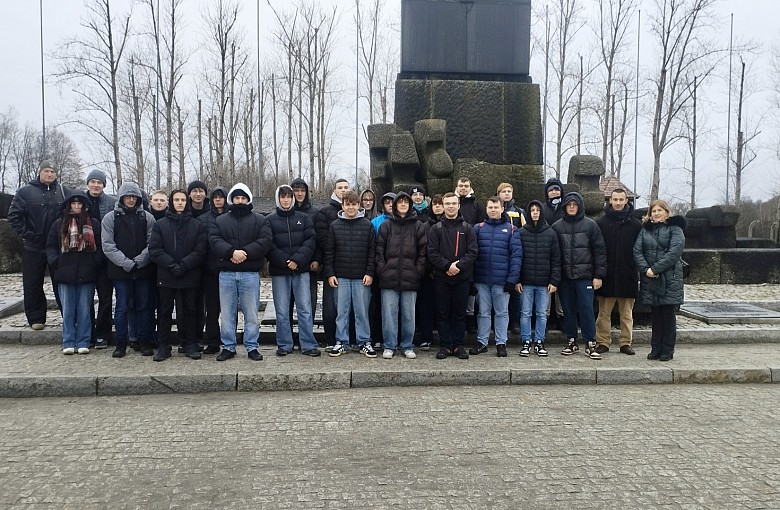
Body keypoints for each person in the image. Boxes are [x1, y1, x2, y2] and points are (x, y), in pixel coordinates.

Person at [209, 183, 273, 361]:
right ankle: (228, 346)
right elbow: (214, 240)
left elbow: (265, 240)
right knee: (227, 313)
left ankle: (252, 346)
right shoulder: (221, 221)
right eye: (237, 198)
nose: (240, 201)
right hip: (227, 274)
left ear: (248, 199)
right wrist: (231, 252)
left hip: (250, 273)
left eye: (243, 198)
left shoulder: (260, 220)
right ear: (232, 200)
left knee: (251, 313)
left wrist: (245, 253)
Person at [8, 160, 70, 330]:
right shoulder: (25, 192)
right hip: (33, 246)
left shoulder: (62, 192)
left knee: (62, 282)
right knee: (32, 283)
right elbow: (14, 217)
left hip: (57, 245)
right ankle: (36, 318)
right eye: (46, 171)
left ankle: (68, 315)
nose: (49, 174)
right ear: (40, 172)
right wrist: (28, 234)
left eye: (52, 172)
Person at [148, 189, 207, 361]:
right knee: (165, 312)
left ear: (186, 202)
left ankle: (190, 344)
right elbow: (155, 249)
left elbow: (200, 250)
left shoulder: (197, 225)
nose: (180, 203)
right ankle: (164, 346)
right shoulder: (161, 224)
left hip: (189, 274)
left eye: (182, 200)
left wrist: (184, 265)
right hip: (167, 275)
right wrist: (172, 265)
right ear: (171, 203)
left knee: (190, 311)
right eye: (176, 200)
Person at [101, 182, 157, 358]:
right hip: (120, 271)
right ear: (122, 198)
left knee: (144, 307)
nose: (131, 200)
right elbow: (108, 245)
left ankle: (144, 341)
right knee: (122, 308)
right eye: (128, 196)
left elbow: (152, 243)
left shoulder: (147, 218)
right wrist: (125, 262)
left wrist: (140, 261)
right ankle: (121, 343)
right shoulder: (110, 218)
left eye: (134, 197)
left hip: (142, 270)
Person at [550, 192, 607, 360]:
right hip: (565, 277)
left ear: (580, 206)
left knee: (586, 310)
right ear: (565, 207)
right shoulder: (557, 226)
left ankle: (590, 343)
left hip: (585, 277)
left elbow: (600, 252)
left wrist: (598, 275)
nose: (572, 207)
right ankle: (571, 340)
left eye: (575, 204)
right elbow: (554, 254)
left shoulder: (591, 225)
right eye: (569, 204)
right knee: (567, 310)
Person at [46, 191, 103, 355]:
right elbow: (50, 246)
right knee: (68, 309)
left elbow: (99, 246)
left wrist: (95, 263)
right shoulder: (59, 224)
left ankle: (84, 340)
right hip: (65, 272)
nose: (77, 206)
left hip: (87, 271)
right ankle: (68, 341)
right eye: (74, 203)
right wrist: (56, 262)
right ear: (68, 205)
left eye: (80, 204)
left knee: (85, 309)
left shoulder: (94, 224)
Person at [266, 185, 321, 357]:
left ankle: (308, 344)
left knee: (304, 308)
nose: (286, 199)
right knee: (282, 310)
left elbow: (311, 240)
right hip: (279, 271)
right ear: (278, 198)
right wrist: (285, 261)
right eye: (283, 196)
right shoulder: (269, 219)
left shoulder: (304, 218)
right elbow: (269, 244)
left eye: (289, 196)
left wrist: (297, 260)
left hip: (301, 270)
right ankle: (284, 344)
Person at [325, 190, 377, 358]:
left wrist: (370, 273)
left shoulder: (367, 225)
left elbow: (372, 252)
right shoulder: (334, 226)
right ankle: (341, 341)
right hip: (341, 277)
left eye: (354, 204)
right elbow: (329, 253)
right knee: (342, 311)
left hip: (361, 277)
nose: (351, 207)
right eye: (348, 204)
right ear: (343, 205)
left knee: (362, 312)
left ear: (358, 205)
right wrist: (330, 273)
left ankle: (364, 341)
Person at [375, 192, 427, 359]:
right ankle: (389, 345)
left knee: (408, 314)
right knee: (389, 314)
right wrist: (382, 269)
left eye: (406, 202)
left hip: (410, 276)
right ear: (395, 205)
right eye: (400, 202)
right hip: (388, 276)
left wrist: (418, 270)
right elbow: (379, 250)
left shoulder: (418, 226)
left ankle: (407, 345)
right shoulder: (386, 226)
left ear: (410, 205)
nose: (403, 204)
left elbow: (423, 252)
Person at [633, 199, 686, 362]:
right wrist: (646, 269)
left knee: (667, 315)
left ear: (666, 212)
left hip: (669, 278)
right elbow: (637, 250)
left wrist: (655, 269)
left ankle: (667, 349)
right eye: (653, 211)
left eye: (659, 210)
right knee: (655, 315)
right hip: (650, 278)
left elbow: (674, 252)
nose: (656, 214)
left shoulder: (675, 229)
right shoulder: (645, 230)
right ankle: (655, 348)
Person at [427, 192, 478, 360]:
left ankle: (458, 345)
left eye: (453, 203)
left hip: (461, 279)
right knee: (442, 313)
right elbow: (432, 253)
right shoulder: (436, 229)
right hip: (442, 278)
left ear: (458, 205)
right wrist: (447, 266)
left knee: (459, 314)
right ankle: (445, 345)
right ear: (443, 205)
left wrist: (458, 266)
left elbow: (472, 252)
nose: (450, 206)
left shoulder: (467, 228)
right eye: (447, 203)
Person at [471, 196, 521, 357]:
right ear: (486, 209)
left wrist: (512, 279)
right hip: (481, 278)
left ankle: (501, 343)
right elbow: (471, 254)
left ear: (502, 209)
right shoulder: (478, 228)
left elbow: (516, 256)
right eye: (490, 207)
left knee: (501, 312)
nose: (493, 210)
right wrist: (471, 279)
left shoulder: (512, 229)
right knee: (483, 312)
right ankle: (482, 342)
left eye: (496, 207)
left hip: (502, 280)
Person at [595, 189, 642, 356]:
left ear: (626, 201)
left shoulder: (636, 225)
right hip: (607, 274)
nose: (618, 202)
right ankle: (603, 341)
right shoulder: (601, 223)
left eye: (621, 199)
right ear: (610, 200)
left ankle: (625, 342)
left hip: (627, 274)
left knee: (627, 314)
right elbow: (598, 250)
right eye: (615, 199)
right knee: (603, 313)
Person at [517, 200, 561, 357]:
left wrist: (554, 281)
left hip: (544, 283)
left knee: (542, 313)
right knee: (525, 313)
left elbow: (556, 260)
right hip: (526, 282)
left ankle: (539, 341)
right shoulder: (521, 232)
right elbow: (517, 258)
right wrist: (517, 280)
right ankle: (526, 341)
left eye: (537, 210)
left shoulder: (551, 233)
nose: (535, 212)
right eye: (532, 210)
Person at [313, 178, 351, 348]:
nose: (343, 190)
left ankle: (349, 340)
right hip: (332, 265)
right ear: (334, 190)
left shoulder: (354, 211)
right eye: (340, 188)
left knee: (349, 307)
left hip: (351, 266)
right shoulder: (325, 212)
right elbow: (322, 239)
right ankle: (331, 339)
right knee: (330, 307)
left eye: (346, 187)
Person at [84, 169, 116, 349]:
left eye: (99, 182)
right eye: (93, 181)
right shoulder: (79, 201)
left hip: (106, 256)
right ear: (88, 183)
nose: (96, 185)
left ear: (104, 185)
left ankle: (103, 333)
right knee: (86, 298)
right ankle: (87, 332)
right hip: (85, 257)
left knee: (105, 297)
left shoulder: (111, 203)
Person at [197, 187, 228, 354]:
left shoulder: (231, 217)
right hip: (209, 270)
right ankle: (212, 341)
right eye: (215, 197)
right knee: (211, 309)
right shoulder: (203, 219)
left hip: (228, 268)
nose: (218, 200)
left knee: (229, 309)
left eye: (221, 197)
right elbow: (201, 245)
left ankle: (229, 340)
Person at [291, 177, 320, 348]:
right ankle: (289, 337)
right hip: (287, 265)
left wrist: (316, 259)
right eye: (296, 190)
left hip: (308, 265)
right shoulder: (283, 210)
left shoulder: (315, 213)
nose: (299, 193)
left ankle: (306, 336)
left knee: (308, 303)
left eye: (302, 190)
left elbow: (317, 239)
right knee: (287, 304)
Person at [454, 176, 484, 334]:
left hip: (470, 247)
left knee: (471, 284)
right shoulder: (453, 203)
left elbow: (480, 225)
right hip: (453, 246)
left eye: (466, 185)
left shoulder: (477, 205)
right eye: (461, 185)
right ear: (457, 187)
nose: (463, 188)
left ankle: (470, 318)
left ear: (470, 187)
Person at [416, 194, 444, 350]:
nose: (438, 206)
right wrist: (429, 269)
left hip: (446, 273)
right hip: (428, 274)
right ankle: (426, 337)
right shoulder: (425, 226)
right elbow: (423, 250)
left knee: (443, 308)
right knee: (426, 308)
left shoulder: (451, 225)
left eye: (440, 204)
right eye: (435, 204)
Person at [497, 182, 525, 334]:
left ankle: (514, 321)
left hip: (513, 254)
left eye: (509, 191)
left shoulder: (519, 212)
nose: (506, 194)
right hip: (499, 256)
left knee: (515, 291)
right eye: (503, 191)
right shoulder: (494, 210)